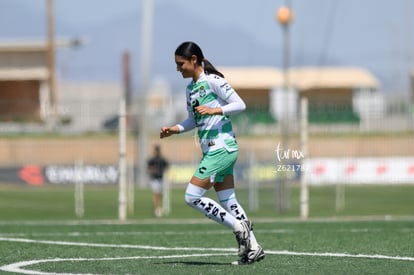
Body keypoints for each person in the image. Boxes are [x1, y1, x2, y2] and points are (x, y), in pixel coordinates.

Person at [160, 41, 265, 265]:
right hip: (214, 150)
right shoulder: (190, 89)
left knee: (191, 196)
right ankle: (254, 247)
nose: (178, 69)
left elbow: (240, 104)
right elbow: (192, 120)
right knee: (228, 200)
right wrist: (174, 129)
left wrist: (215, 109)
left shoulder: (213, 80)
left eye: (181, 64)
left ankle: (239, 228)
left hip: (222, 147)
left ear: (194, 60)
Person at [147, 144, 169, 217]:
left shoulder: (162, 159)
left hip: (161, 178)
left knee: (159, 194)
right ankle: (157, 208)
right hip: (154, 179)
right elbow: (148, 168)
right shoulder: (152, 159)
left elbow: (167, 166)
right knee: (155, 194)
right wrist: (152, 170)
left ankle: (158, 207)